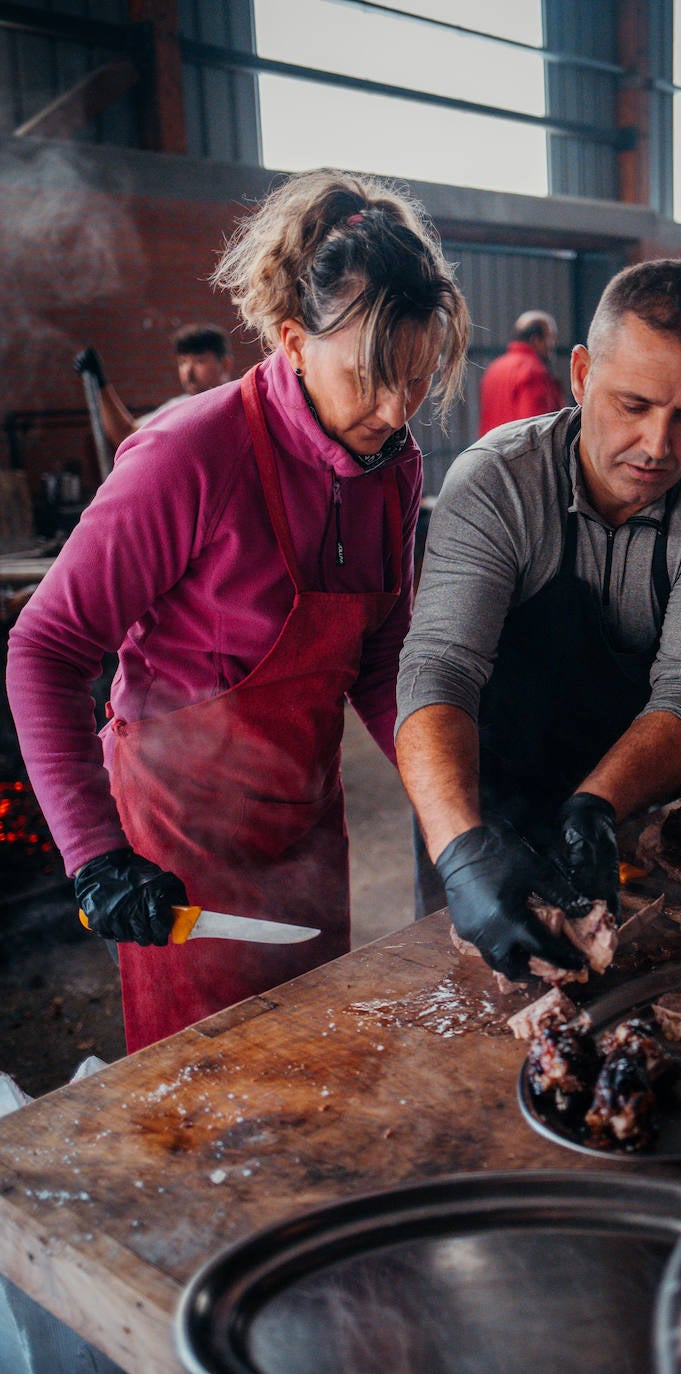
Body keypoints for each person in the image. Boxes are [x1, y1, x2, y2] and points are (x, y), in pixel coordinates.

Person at [8, 168, 469, 1052]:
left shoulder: (395, 467)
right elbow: (45, 649)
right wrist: (97, 857)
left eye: (415, 380)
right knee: (210, 1094)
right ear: (294, 341)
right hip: (176, 848)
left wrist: (454, 807)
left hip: (303, 822)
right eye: (371, 378)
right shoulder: (190, 453)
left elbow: (380, 661)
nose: (393, 411)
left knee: (316, 1059)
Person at [395, 259, 681, 979]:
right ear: (580, 374)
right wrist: (463, 850)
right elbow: (438, 669)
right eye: (634, 404)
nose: (660, 446)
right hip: (477, 802)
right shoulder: (497, 481)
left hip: (617, 801)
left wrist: (597, 806)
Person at [73, 323, 235, 450]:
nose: (188, 372)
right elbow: (126, 435)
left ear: (225, 364)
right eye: (182, 362)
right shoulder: (178, 408)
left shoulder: (240, 403)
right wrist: (100, 384)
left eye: (199, 361)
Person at [478, 310, 566, 436]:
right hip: (521, 453)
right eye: (550, 337)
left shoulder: (494, 368)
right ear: (536, 340)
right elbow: (536, 428)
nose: (553, 344)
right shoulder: (534, 370)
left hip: (491, 451)